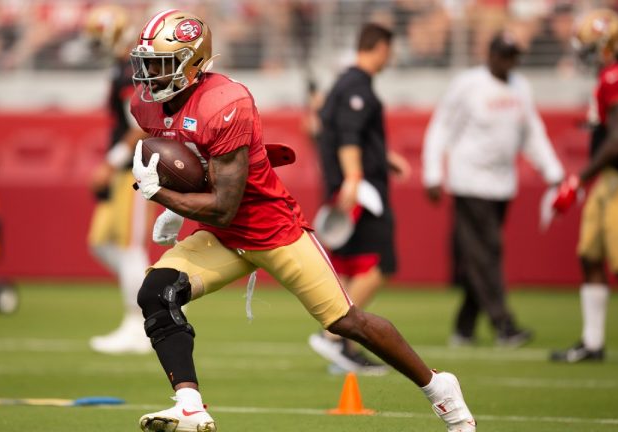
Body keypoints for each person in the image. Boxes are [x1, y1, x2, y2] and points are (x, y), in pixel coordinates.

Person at [128, 9, 475, 432]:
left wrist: (161, 195)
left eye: (162, 64)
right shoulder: (145, 108)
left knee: (347, 321)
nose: (150, 75)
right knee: (156, 292)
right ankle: (189, 406)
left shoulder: (226, 102)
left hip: (270, 229)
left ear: (195, 62)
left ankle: (440, 389)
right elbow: (192, 165)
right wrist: (171, 206)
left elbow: (225, 204)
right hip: (222, 237)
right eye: (147, 63)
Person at [422, 31, 564, 348]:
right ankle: (504, 324)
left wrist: (553, 170)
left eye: (514, 56)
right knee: (487, 253)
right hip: (470, 181)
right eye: (504, 55)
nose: (509, 62)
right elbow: (441, 127)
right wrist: (433, 172)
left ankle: (464, 327)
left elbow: (532, 134)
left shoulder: (520, 87)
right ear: (490, 55)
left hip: (502, 186)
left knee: (479, 257)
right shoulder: (468, 85)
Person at [308, 23, 411, 376]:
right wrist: (353, 176)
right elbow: (349, 136)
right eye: (389, 50)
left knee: (353, 267)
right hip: (361, 193)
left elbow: (335, 130)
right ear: (380, 47)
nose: (390, 58)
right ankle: (333, 335)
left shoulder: (343, 83)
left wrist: (385, 158)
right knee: (380, 264)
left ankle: (344, 346)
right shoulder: (357, 87)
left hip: (351, 187)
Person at [550, 8, 618, 363]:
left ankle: (592, 341)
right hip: (610, 177)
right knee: (590, 254)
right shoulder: (613, 75)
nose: (586, 56)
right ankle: (592, 341)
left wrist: (577, 178)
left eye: (590, 48)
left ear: (606, 45)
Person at [83, 4, 151, 355]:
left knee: (129, 248)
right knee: (101, 242)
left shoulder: (131, 70)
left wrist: (111, 163)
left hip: (133, 171)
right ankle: (156, 295)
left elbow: (140, 125)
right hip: (123, 170)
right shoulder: (121, 67)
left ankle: (140, 324)